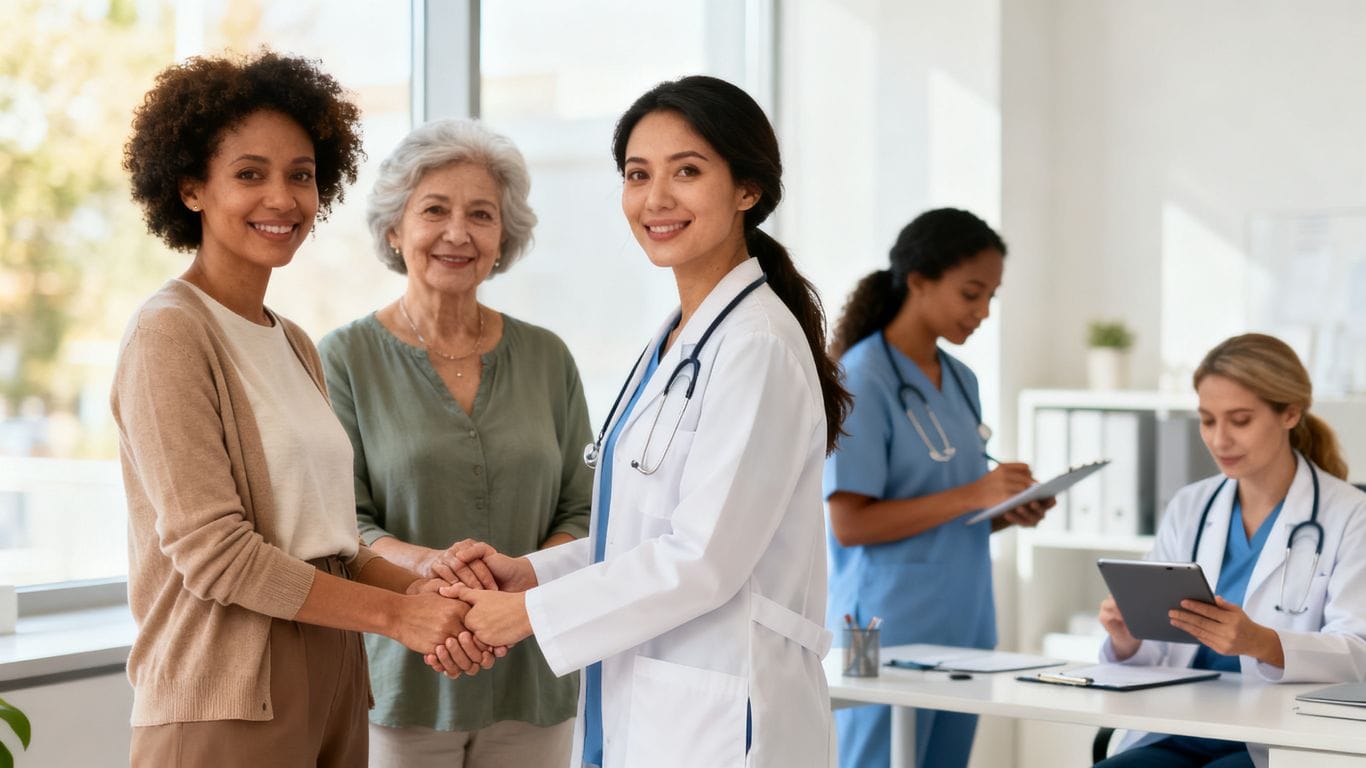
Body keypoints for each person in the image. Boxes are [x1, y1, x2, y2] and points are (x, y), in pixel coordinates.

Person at [439, 75, 852, 767]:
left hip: (725, 710)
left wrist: (529, 616)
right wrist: (533, 576)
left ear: (747, 189)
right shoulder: (679, 339)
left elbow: (704, 559)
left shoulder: (755, 345)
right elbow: (642, 531)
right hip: (656, 699)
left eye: (686, 171)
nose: (655, 198)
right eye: (638, 174)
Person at [113, 52, 493, 767]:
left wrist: (433, 596)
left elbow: (332, 542)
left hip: (335, 677)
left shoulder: (292, 342)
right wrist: (400, 616)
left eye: (300, 174)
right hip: (228, 695)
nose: (282, 198)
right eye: (249, 174)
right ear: (191, 188)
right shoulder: (169, 334)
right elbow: (217, 555)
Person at [317, 118, 591, 768]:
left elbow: (584, 509)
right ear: (395, 228)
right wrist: (432, 571)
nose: (458, 233)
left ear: (504, 237)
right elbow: (340, 523)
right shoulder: (344, 358)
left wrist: (515, 594)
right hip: (401, 681)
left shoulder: (548, 358)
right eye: (434, 210)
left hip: (534, 668)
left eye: (481, 215)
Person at [824, 207, 1055, 768]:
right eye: (971, 293)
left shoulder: (961, 379)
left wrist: (1005, 511)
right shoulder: (862, 378)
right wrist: (975, 495)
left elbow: (949, 511)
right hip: (883, 632)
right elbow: (849, 524)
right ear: (919, 281)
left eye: (991, 297)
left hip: (963, 626)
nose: (983, 312)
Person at [1095, 334, 1366, 768]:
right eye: (1207, 420)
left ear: (1290, 413)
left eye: (1240, 420)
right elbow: (1161, 653)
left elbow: (1358, 654)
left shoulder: (1351, 515)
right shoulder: (1190, 506)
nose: (1219, 440)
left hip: (1277, 738)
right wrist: (1128, 640)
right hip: (1179, 726)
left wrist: (1262, 643)